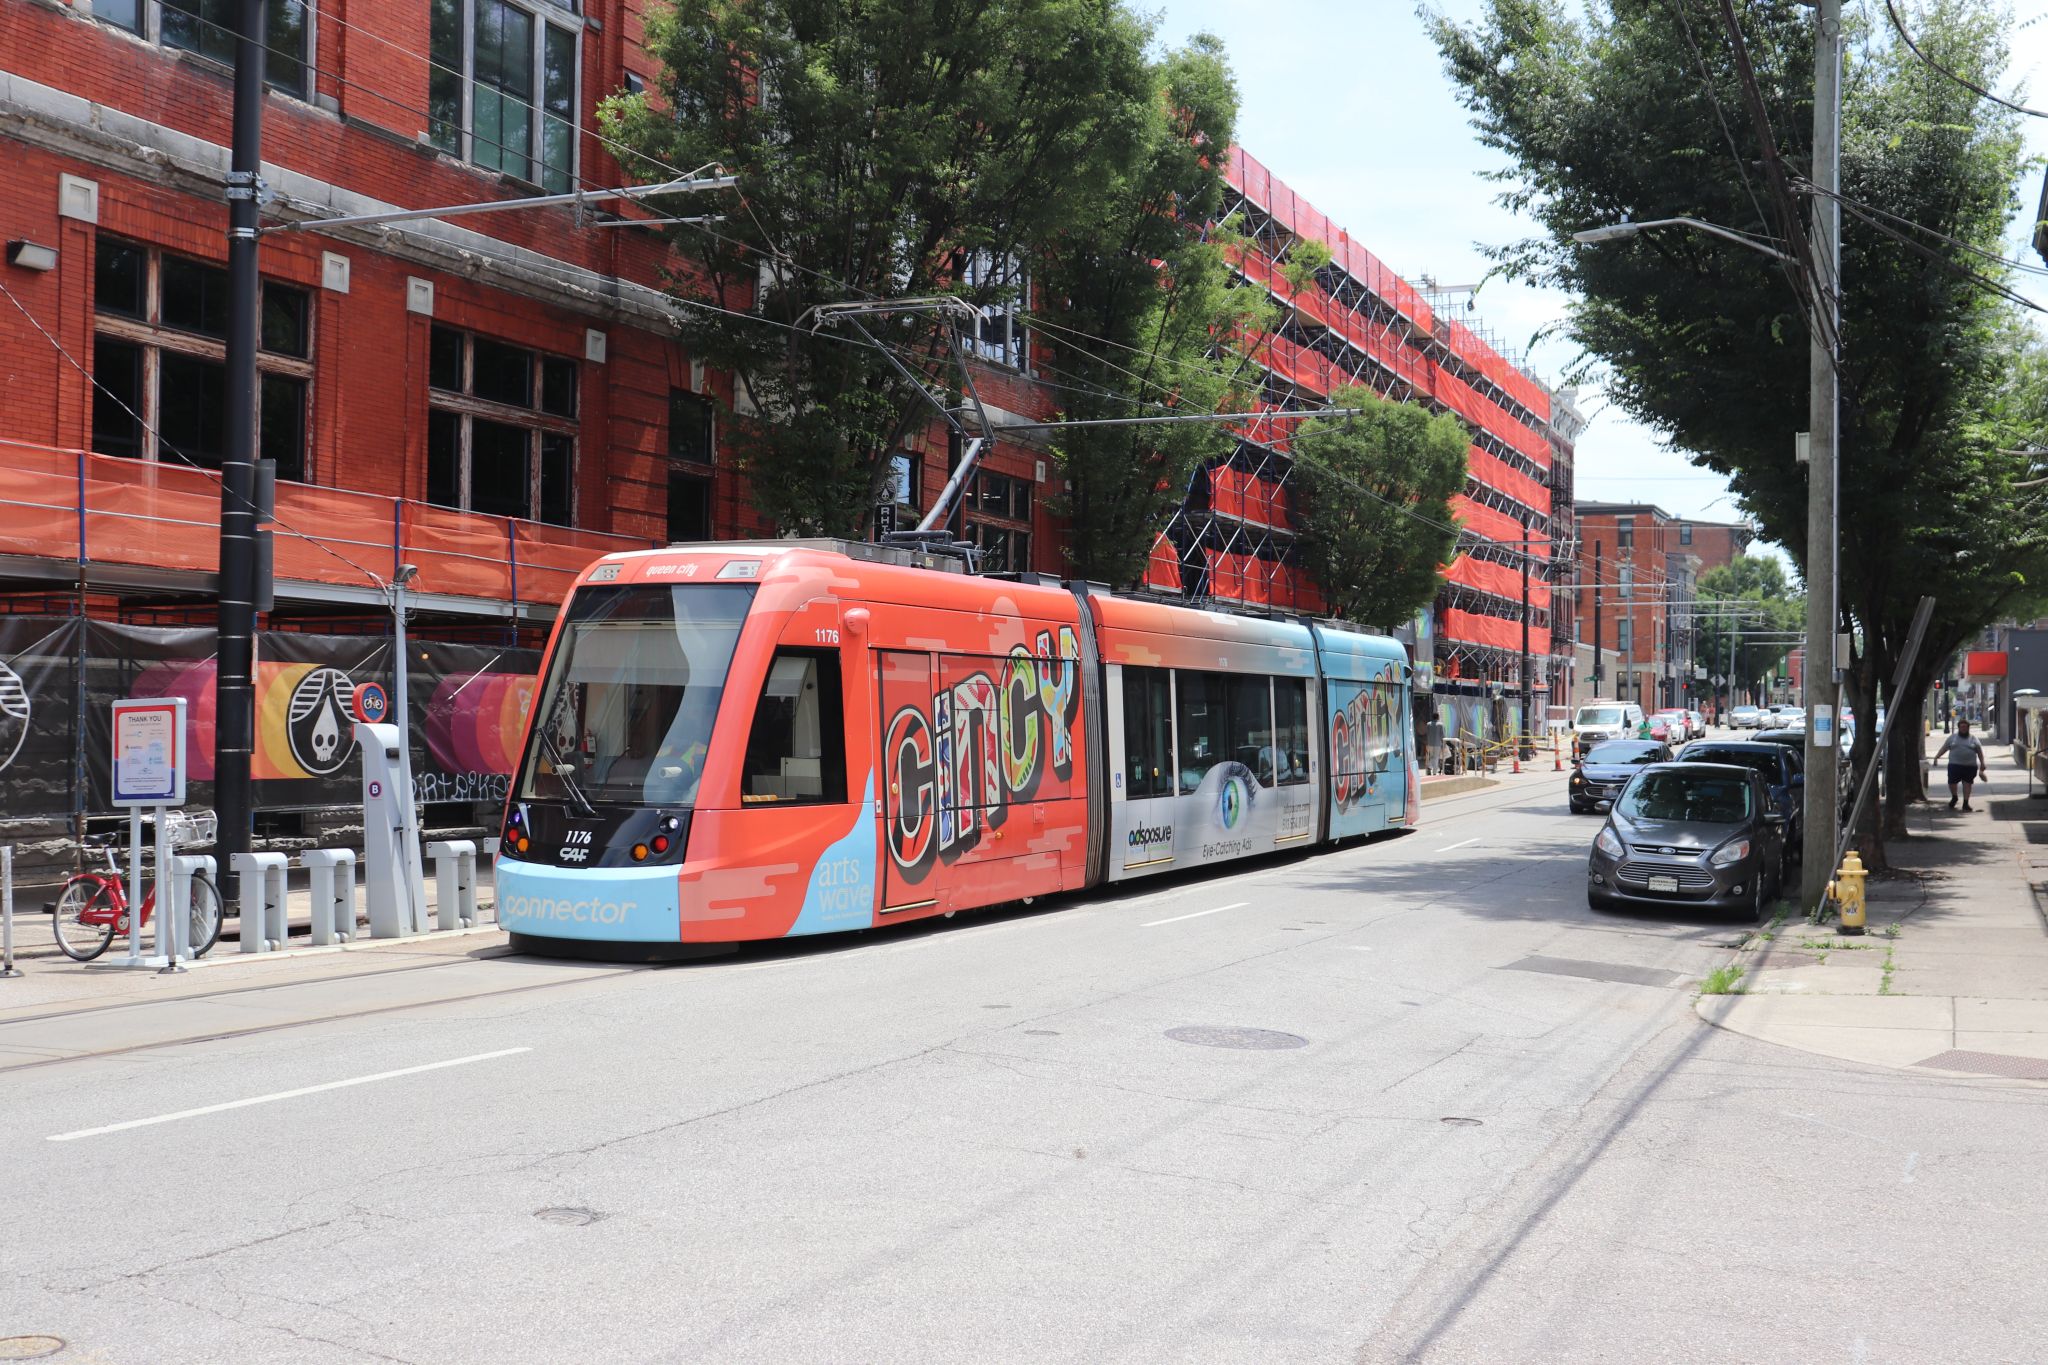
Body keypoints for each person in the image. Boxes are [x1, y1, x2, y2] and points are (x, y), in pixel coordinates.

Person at [1934, 719, 1988, 811]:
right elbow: (1944, 748)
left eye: (1965, 727)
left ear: (1968, 728)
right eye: (1962, 727)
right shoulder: (1952, 738)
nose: (1963, 729)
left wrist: (1982, 763)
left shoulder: (1973, 738)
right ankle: (1954, 797)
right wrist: (1936, 757)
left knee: (1967, 784)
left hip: (1970, 766)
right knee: (1952, 782)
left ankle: (1966, 803)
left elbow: (1979, 752)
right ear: (1958, 728)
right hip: (1954, 765)